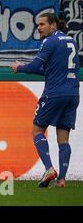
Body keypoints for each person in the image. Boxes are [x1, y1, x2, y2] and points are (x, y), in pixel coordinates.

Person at [11, 13, 80, 188]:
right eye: (38, 25)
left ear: (54, 25)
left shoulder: (49, 42)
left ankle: (49, 168)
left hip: (54, 94)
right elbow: (50, 71)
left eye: (42, 24)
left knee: (37, 130)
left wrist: (19, 67)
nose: (39, 28)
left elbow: (35, 66)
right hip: (73, 94)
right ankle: (62, 179)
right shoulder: (71, 41)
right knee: (63, 138)